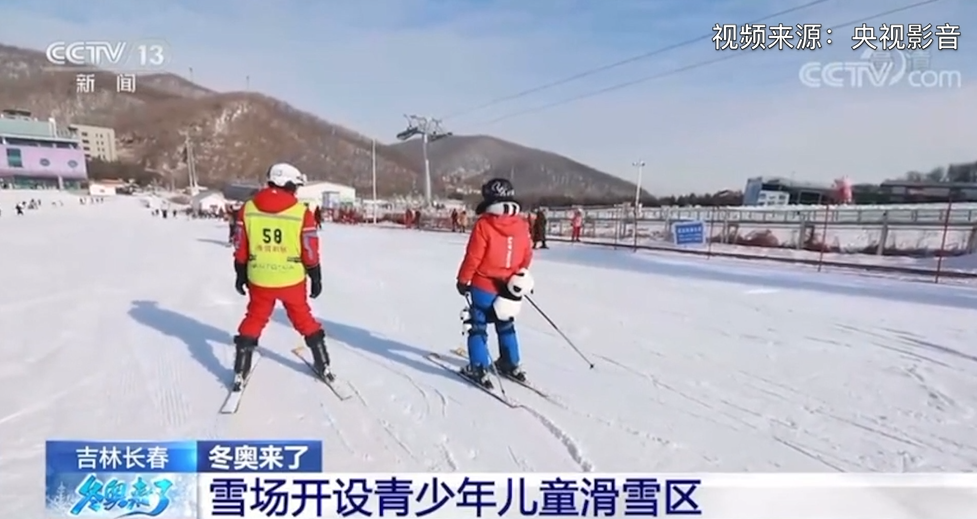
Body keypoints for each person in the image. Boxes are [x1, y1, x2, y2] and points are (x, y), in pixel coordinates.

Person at [231, 163, 331, 388]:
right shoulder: (301, 212)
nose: (295, 191)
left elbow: (240, 246)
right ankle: (323, 363)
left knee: (255, 318)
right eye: (294, 186)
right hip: (291, 279)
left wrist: (240, 272)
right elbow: (309, 248)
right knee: (304, 319)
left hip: (260, 278)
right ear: (286, 184)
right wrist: (315, 275)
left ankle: (240, 369)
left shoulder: (247, 209)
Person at [455, 178, 535, 387]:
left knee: (478, 324)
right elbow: (527, 255)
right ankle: (510, 361)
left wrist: (463, 280)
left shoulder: (485, 224)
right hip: (509, 288)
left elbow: (473, 257)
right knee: (506, 324)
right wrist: (517, 275)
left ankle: (478, 367)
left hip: (484, 286)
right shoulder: (522, 224)